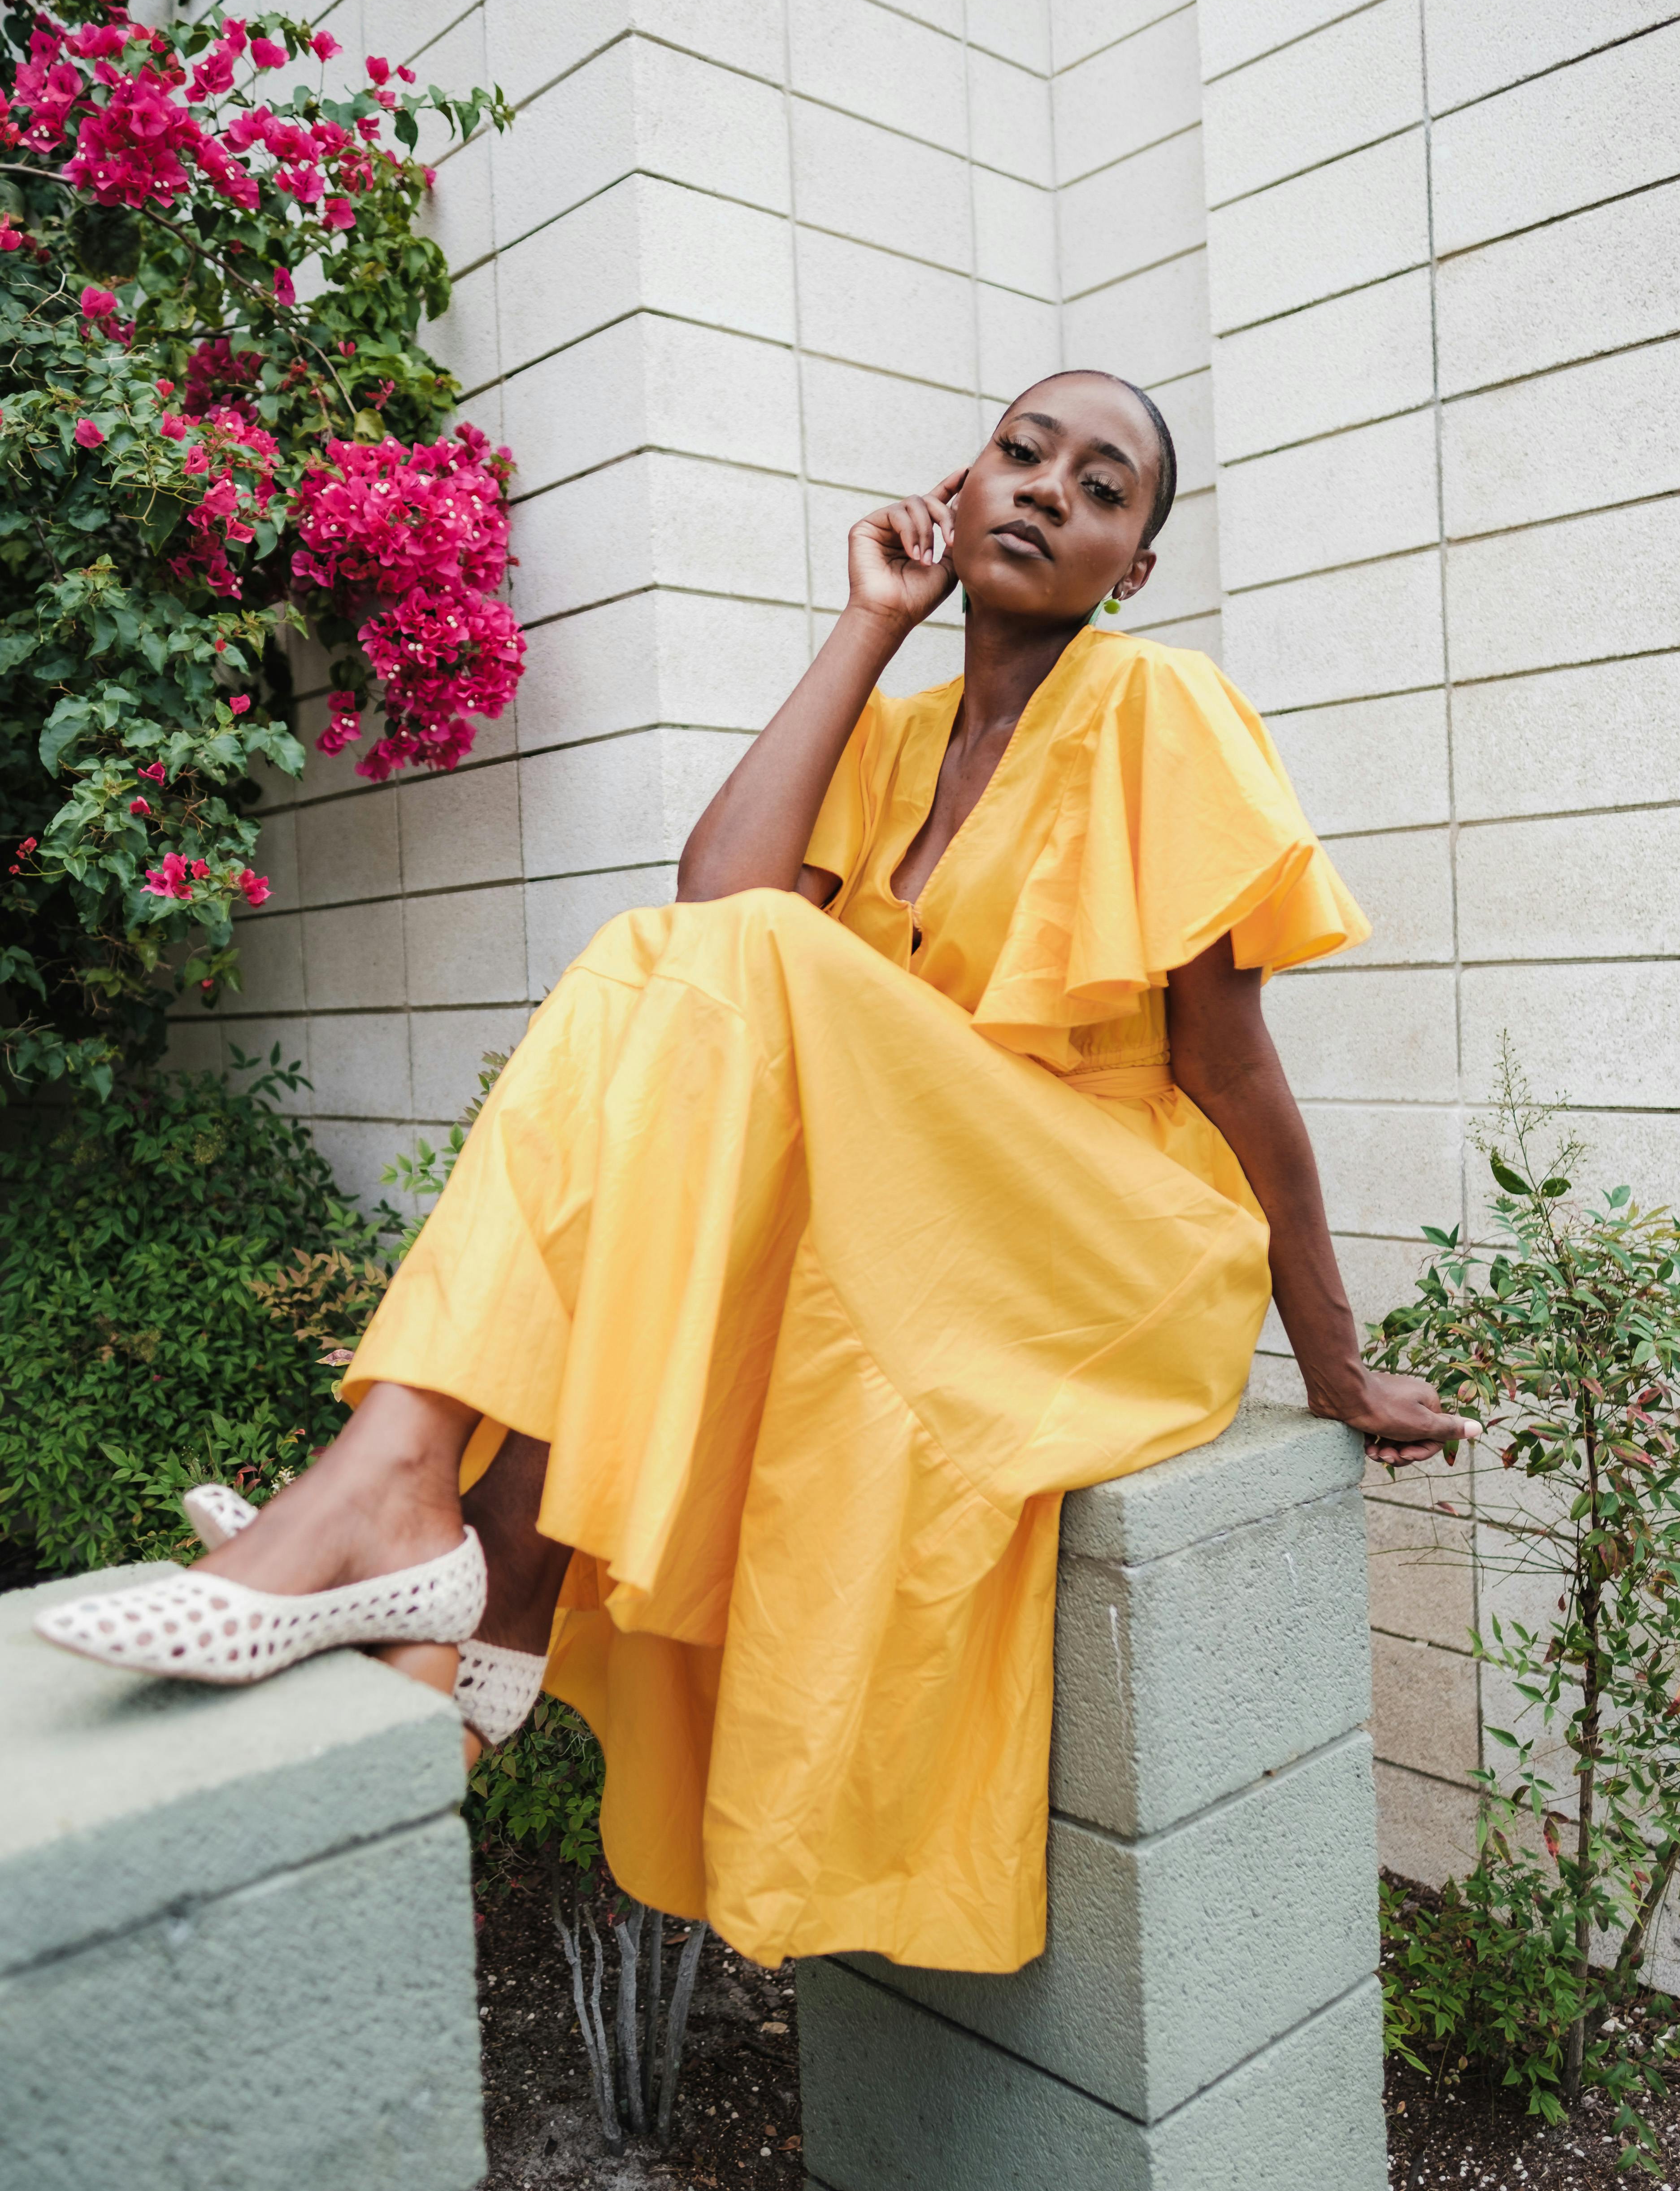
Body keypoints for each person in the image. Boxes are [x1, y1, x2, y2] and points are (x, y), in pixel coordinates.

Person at [38, 368, 1469, 1972]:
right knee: (688, 984)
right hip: (930, 1202)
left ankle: (417, 1514)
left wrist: (1333, 1361)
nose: (1050, 489)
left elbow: (1228, 1064)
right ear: (961, 478)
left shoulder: (1162, 708)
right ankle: (481, 1573)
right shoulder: (906, 726)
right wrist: (871, 621)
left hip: (1105, 1241)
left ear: (1133, 566)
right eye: (1021, 451)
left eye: (1105, 486)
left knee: (721, 967)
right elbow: (717, 898)